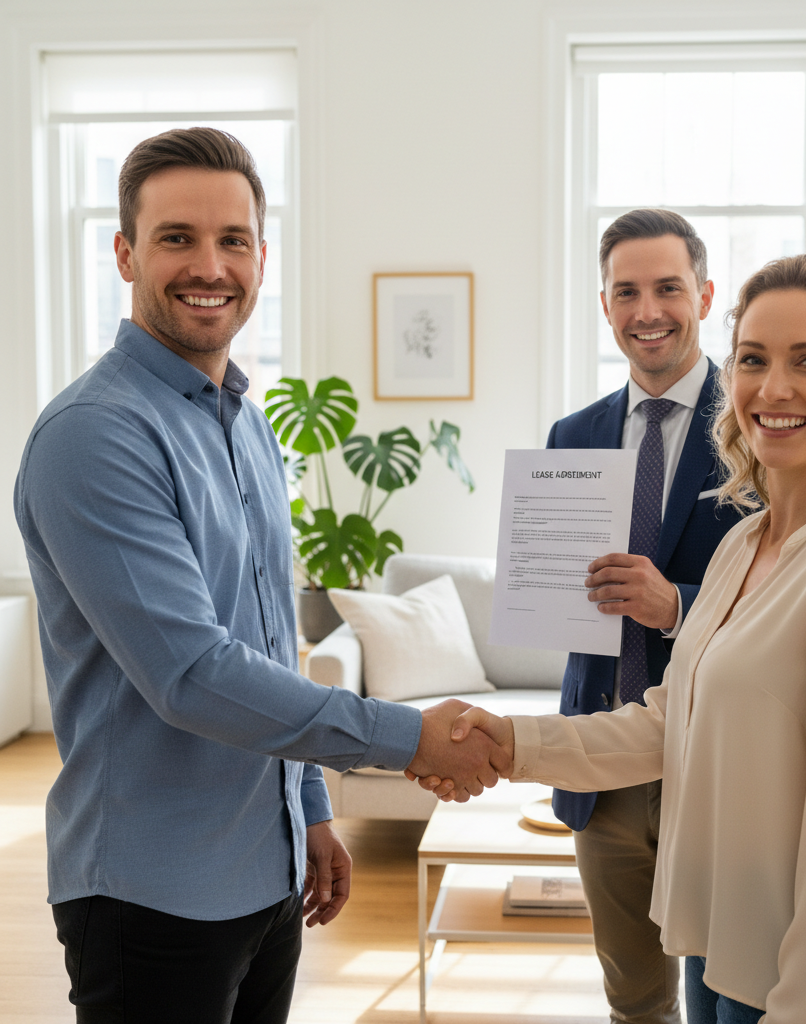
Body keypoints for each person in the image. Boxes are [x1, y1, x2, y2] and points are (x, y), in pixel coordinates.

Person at [14, 127, 503, 1023]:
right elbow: (192, 672)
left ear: (261, 258)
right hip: (151, 895)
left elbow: (269, 637)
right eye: (177, 237)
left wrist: (308, 805)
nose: (210, 266)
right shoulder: (94, 434)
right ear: (124, 253)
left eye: (233, 239)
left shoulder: (247, 420)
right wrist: (408, 738)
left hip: (267, 871)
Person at [427, 253, 806, 1023]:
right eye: (753, 360)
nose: (774, 388)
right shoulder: (746, 543)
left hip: (800, 981)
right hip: (717, 942)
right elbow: (667, 724)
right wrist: (510, 741)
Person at [547, 209, 744, 1024]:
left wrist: (679, 606)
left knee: (727, 993)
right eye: (626, 292)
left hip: (719, 754)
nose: (648, 310)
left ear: (704, 295)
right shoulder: (573, 436)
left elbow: (793, 592)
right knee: (633, 999)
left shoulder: (761, 425)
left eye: (668, 288)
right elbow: (556, 588)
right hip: (604, 761)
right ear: (605, 305)